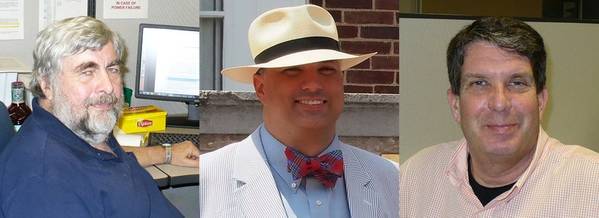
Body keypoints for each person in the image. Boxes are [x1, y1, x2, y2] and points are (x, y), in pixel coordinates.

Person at [199, 4, 399, 217]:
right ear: (261, 87)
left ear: (341, 81)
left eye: (326, 69)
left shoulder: (393, 180)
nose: (313, 85)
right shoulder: (207, 180)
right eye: (292, 71)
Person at [400, 17, 599, 217]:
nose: (499, 103)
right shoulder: (413, 180)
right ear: (456, 104)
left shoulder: (592, 185)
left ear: (541, 101)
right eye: (480, 83)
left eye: (517, 83)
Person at [0, 16, 197, 217]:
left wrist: (167, 153)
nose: (108, 86)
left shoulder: (80, 125)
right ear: (47, 85)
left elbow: (103, 161)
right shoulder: (43, 185)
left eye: (112, 69)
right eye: (87, 72)